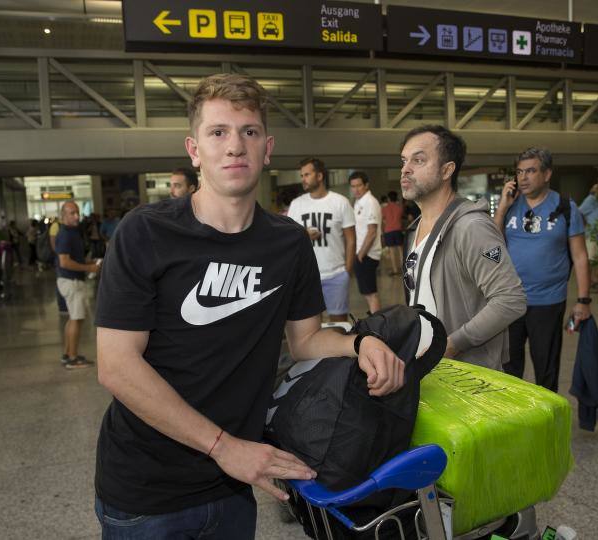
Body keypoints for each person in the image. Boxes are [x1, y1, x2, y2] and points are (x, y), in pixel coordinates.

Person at [93, 73, 405, 539]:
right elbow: (116, 366)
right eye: (218, 132)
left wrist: (360, 344)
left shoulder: (287, 244)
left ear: (267, 148)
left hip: (233, 485)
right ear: (194, 149)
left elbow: (305, 341)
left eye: (249, 132)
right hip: (147, 490)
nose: (235, 146)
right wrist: (223, 447)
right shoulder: (146, 233)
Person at [401, 125, 526, 370]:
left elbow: (510, 300)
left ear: (447, 170)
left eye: (418, 160)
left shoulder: (471, 227)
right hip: (430, 368)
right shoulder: (416, 229)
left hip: (467, 375)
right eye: (404, 161)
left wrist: (451, 345)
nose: (406, 169)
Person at [494, 147, 591, 392]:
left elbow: (580, 256)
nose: (523, 178)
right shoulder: (511, 206)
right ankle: (514, 421)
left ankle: (547, 423)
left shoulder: (566, 208)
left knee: (546, 369)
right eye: (519, 172)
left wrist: (583, 300)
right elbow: (492, 244)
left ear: (547, 174)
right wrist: (503, 207)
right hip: (511, 299)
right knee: (508, 368)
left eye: (530, 171)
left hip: (548, 301)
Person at [287, 157, 356, 322]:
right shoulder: (297, 204)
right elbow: (290, 239)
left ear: (319, 176)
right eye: (302, 175)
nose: (303, 179)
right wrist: (305, 235)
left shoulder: (340, 202)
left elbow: (351, 239)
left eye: (307, 174)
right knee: (310, 326)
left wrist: (347, 271)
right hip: (307, 276)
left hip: (336, 274)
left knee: (339, 323)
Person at [55, 201, 100, 369]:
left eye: (77, 213)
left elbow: (73, 259)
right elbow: (65, 262)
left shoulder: (73, 232)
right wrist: (89, 268)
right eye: (72, 213)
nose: (76, 216)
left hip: (72, 279)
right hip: (71, 281)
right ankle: (73, 359)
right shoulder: (65, 234)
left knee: (72, 319)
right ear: (63, 215)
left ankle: (68, 354)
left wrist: (89, 262)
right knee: (76, 319)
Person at [349, 171, 383, 314]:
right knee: (367, 293)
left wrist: (360, 255)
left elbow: (372, 231)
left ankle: (377, 327)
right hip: (362, 253)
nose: (356, 189)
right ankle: (375, 322)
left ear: (366, 185)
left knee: (371, 293)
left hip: (367, 255)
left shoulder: (370, 202)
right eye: (353, 186)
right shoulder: (359, 202)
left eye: (359, 185)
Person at [578, 184, 598, 293]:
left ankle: (595, 281)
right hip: (593, 236)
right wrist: (585, 225)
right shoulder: (591, 200)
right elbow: (579, 212)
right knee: (590, 260)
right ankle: (587, 284)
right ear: (595, 191)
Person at [381, 191, 404, 275]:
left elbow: (383, 221)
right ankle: (403, 269)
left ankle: (395, 270)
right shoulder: (399, 208)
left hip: (388, 231)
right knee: (400, 251)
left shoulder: (384, 208)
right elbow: (400, 217)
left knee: (391, 251)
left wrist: (383, 232)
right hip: (398, 230)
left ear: (388, 198)